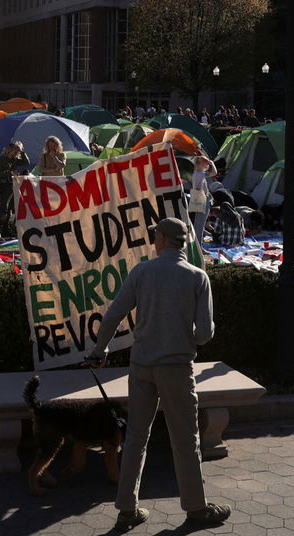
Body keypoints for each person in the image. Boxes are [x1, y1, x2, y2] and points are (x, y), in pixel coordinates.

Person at [87, 218, 231, 531]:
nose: (154, 238)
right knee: (185, 439)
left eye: (155, 234)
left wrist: (100, 352)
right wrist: (183, 337)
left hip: (141, 366)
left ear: (164, 239)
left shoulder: (142, 272)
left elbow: (113, 315)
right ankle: (196, 509)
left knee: (136, 437)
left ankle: (127, 510)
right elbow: (205, 333)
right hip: (177, 367)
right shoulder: (197, 277)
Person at [0, 141, 30, 238]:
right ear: (10, 150)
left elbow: (26, 162)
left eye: (17, 151)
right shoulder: (0, 160)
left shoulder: (14, 160)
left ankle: (5, 230)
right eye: (15, 150)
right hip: (4, 186)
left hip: (12, 186)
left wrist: (22, 152)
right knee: (3, 208)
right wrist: (10, 173)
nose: (16, 152)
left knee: (9, 209)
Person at [189, 156, 217, 246]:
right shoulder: (200, 174)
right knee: (200, 224)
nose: (206, 165)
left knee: (198, 223)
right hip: (203, 199)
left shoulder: (196, 173)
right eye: (205, 163)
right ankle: (199, 246)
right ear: (201, 164)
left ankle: (197, 245)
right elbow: (214, 172)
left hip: (198, 199)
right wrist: (211, 162)